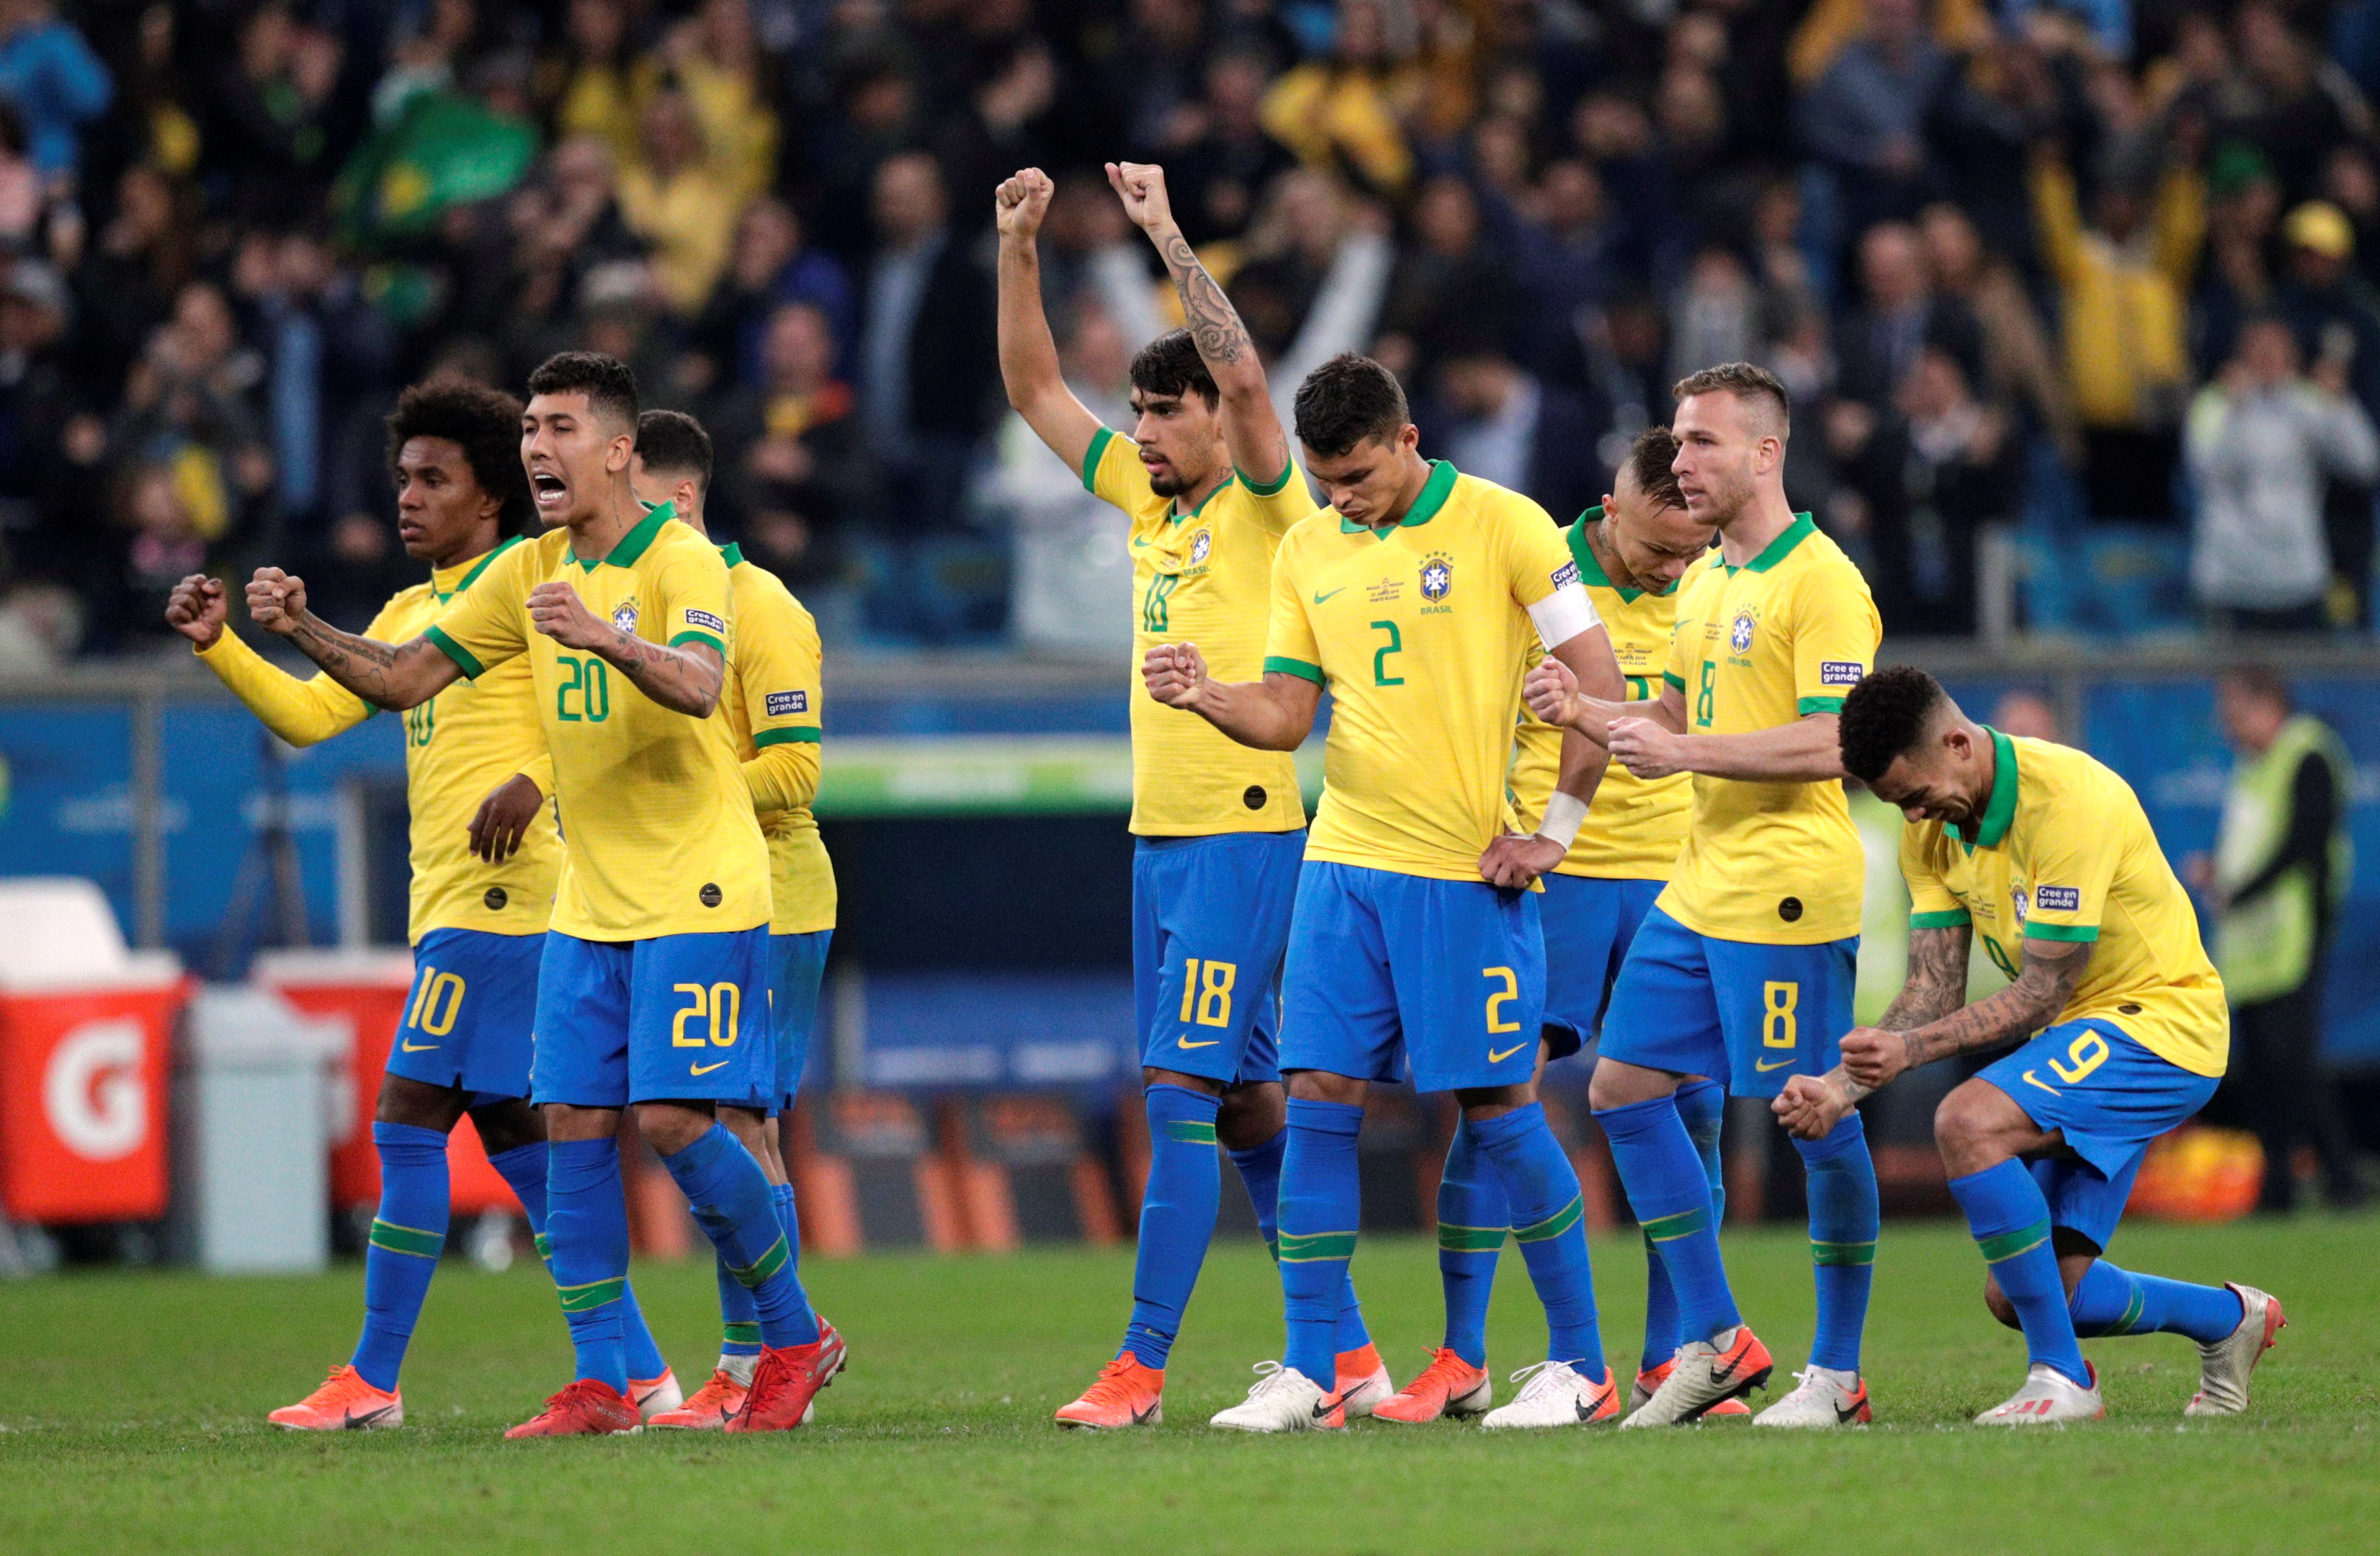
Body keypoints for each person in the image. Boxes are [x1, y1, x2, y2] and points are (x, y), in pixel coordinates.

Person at [241, 352, 839, 1437]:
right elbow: (398, 677)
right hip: (588, 901)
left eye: (559, 426)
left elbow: (700, 685)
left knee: (669, 1121)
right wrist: (299, 628)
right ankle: (610, 1382)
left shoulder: (682, 562)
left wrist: (605, 635)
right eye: (528, 427)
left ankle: (794, 1334)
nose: (536, 446)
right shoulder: (525, 572)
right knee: (567, 1127)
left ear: (618, 450)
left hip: (699, 887)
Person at [166, 379, 681, 1430]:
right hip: (452, 900)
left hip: (512, 898)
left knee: (407, 1120)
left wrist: (537, 775)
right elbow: (317, 716)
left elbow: (597, 704)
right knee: (533, 1162)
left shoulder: (529, 583)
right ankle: (646, 1375)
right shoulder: (411, 613)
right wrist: (227, 646)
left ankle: (372, 1380)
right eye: (403, 477)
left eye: (432, 480)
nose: (407, 497)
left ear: (489, 496)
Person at [1146, 352, 1629, 1432]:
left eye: (1357, 476)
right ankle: (1316, 1366)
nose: (1338, 498)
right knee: (1317, 1099)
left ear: (1409, 440)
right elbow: (1285, 713)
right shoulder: (1309, 547)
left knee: (1500, 1109)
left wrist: (1555, 833)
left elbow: (1600, 688)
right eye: (1324, 480)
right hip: (1343, 863)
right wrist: (1207, 696)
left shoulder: (1510, 527)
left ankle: (1583, 1365)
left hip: (1461, 870)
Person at [995, 161, 1389, 1431]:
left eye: (1167, 413)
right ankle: (1351, 1359)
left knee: (1175, 1097)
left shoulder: (1274, 510)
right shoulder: (1139, 505)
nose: (1147, 431)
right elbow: (1032, 390)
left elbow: (1249, 377)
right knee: (1252, 1105)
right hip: (1158, 843)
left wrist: (1163, 231)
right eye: (1142, 412)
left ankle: (1141, 1369)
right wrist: (1018, 248)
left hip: (1242, 836)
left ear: (1214, 419)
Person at [1524, 361, 1883, 1428]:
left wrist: (1692, 750)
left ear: (1766, 453)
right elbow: (1671, 722)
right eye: (1676, 442)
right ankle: (1721, 1339)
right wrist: (1591, 714)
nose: (1679, 462)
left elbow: (1841, 744)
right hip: (1702, 881)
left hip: (1785, 893)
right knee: (1620, 1090)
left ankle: (1837, 1370)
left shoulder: (1821, 580)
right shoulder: (1711, 580)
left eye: (1702, 444)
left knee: (1813, 1117)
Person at [1779, 666, 2284, 1424]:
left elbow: (2043, 991)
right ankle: (2229, 1319)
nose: (1913, 816)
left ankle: (2063, 1378)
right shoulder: (1934, 835)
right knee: (2035, 1292)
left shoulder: (2068, 802)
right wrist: (1837, 1087)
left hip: (2160, 1024)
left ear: (1956, 743)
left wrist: (1908, 1055)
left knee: (1965, 1120)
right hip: (2085, 1036)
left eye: (1915, 794)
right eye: (1896, 805)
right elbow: (1932, 990)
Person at [1374, 425, 1727, 1426]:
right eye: (1662, 548)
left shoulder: (1714, 581)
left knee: (1690, 1111)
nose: (1677, 565)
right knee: (1496, 1100)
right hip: (1549, 872)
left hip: (1677, 875)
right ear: (1609, 514)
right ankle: (1461, 1354)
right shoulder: (1531, 565)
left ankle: (1680, 1360)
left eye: (1693, 545)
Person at [629, 410, 841, 1427]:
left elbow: (797, 766)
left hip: (774, 897)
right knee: (718, 1120)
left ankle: (756, 1360)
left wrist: (676, 802)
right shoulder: (642, 604)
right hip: (683, 889)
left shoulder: (761, 607)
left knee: (742, 1122)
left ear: (675, 501)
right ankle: (756, 1358)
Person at [2195, 666, 2362, 1211]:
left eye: (2235, 715)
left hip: (2293, 936)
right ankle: (2280, 1184)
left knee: (2295, 1063)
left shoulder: (2308, 754)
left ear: (2268, 704)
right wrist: (2220, 876)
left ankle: (2339, 1178)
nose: (2229, 729)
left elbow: (2301, 845)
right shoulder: (2252, 767)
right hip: (2252, 947)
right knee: (2265, 1068)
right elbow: (2250, 845)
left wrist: (2236, 892)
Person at [2186, 315, 2379, 631]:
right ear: (2241, 355)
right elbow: (2208, 474)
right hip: (2230, 579)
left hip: (2298, 577)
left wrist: (2341, 405)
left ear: (2293, 357)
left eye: (2277, 350)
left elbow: (2365, 464)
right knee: (2237, 681)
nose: (2268, 359)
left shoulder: (2311, 401)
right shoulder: (2213, 405)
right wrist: (2238, 411)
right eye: (2258, 350)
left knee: (2299, 680)